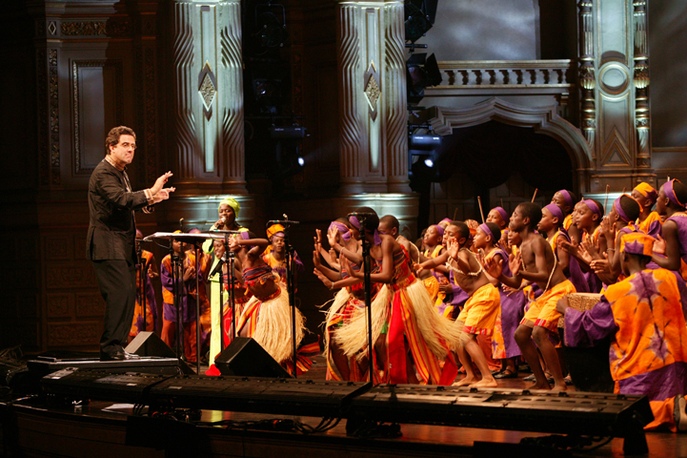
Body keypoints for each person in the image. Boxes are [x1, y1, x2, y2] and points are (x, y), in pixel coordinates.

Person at [559, 232, 687, 432]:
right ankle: (680, 405)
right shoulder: (672, 278)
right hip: (676, 363)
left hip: (640, 367)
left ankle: (668, 411)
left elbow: (590, 326)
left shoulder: (617, 291)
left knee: (633, 413)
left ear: (625, 257)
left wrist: (567, 311)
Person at [335, 208, 459, 385]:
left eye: (352, 227)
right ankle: (404, 381)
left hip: (407, 291)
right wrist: (340, 266)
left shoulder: (386, 242)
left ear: (363, 228)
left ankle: (414, 378)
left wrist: (359, 276)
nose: (350, 231)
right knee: (389, 342)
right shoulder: (367, 246)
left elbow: (385, 275)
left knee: (402, 339)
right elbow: (362, 269)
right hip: (392, 294)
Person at [87, 125, 174, 361]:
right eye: (125, 145)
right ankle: (110, 347)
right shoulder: (103, 172)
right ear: (111, 146)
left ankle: (117, 347)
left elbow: (126, 204)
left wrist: (154, 198)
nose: (130, 150)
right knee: (119, 294)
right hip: (107, 244)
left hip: (121, 245)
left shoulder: (120, 171)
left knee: (127, 296)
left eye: (133, 146)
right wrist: (150, 190)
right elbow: (120, 199)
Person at [485, 202, 576, 390]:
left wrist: (520, 273)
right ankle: (541, 381)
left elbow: (543, 275)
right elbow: (517, 283)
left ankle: (559, 382)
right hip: (546, 295)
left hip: (560, 290)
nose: (511, 218)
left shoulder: (537, 241)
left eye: (515, 214)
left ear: (526, 220)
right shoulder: (521, 246)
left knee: (539, 332)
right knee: (520, 334)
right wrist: (500, 275)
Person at [230, 232, 312, 374]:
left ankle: (277, 370)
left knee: (276, 343)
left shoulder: (251, 255)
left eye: (233, 239)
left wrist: (244, 243)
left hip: (274, 301)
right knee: (239, 332)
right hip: (258, 302)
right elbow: (247, 283)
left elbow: (263, 242)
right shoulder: (239, 261)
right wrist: (230, 269)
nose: (230, 241)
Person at [446, 221, 501, 388]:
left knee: (465, 337)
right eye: (445, 233)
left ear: (461, 240)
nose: (446, 236)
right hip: (474, 298)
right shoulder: (451, 253)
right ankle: (471, 375)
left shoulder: (462, 252)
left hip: (484, 295)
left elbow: (467, 267)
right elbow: (432, 262)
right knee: (455, 337)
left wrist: (456, 257)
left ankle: (488, 377)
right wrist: (418, 263)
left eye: (450, 234)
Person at [129, 229, 159, 341]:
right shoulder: (126, 256)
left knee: (147, 323)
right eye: (135, 240)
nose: (137, 243)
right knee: (132, 327)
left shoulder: (148, 256)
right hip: (132, 296)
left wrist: (153, 274)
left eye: (139, 240)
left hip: (145, 295)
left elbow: (156, 274)